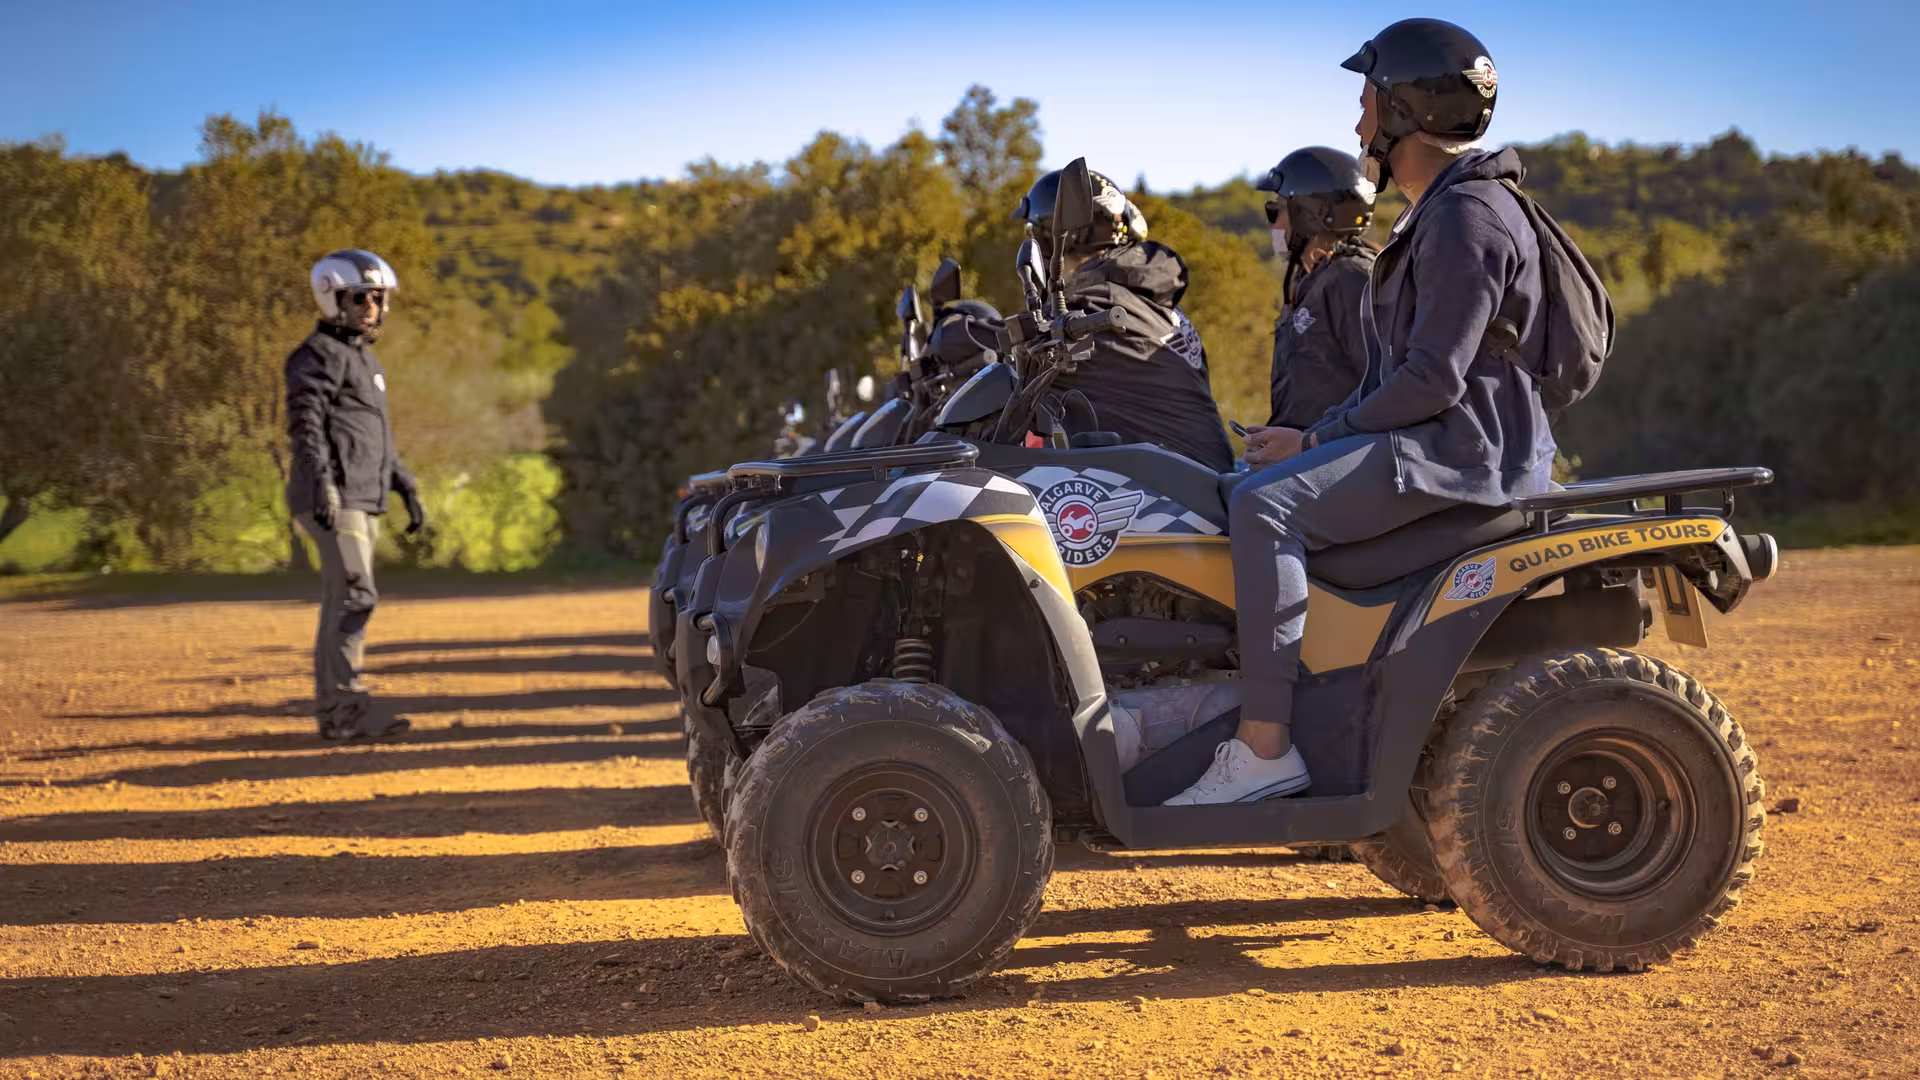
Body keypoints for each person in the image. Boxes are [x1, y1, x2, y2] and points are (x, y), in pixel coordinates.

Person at [1168, 17, 1558, 803]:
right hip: (1447, 442)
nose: (1357, 123)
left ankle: (1266, 742)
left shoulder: (1465, 216)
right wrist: (1311, 437)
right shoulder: (1446, 211)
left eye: (1367, 102)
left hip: (1460, 454)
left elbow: (1431, 381)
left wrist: (1315, 436)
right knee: (1244, 493)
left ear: (1406, 111)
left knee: (1266, 509)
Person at [286, 249, 426, 741]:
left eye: (377, 297)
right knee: (354, 596)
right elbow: (307, 427)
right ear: (332, 299)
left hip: (364, 495)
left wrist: (404, 483)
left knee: (346, 598)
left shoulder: (364, 358)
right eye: (360, 297)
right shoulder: (315, 357)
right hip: (334, 497)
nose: (371, 306)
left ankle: (338, 711)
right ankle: (344, 712)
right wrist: (322, 483)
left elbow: (375, 434)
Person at [1011, 169, 1235, 472]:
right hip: (1194, 481)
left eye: (1037, 234)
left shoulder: (1096, 307)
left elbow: (1012, 362)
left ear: (1061, 239)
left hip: (1168, 494)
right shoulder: (1154, 306)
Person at [1254, 147, 1378, 430]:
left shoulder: (1351, 279)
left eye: (1276, 211)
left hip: (1331, 462)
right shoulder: (1310, 280)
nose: (1272, 224)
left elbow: (1382, 389)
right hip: (1303, 456)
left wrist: (1309, 443)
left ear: (1310, 214)